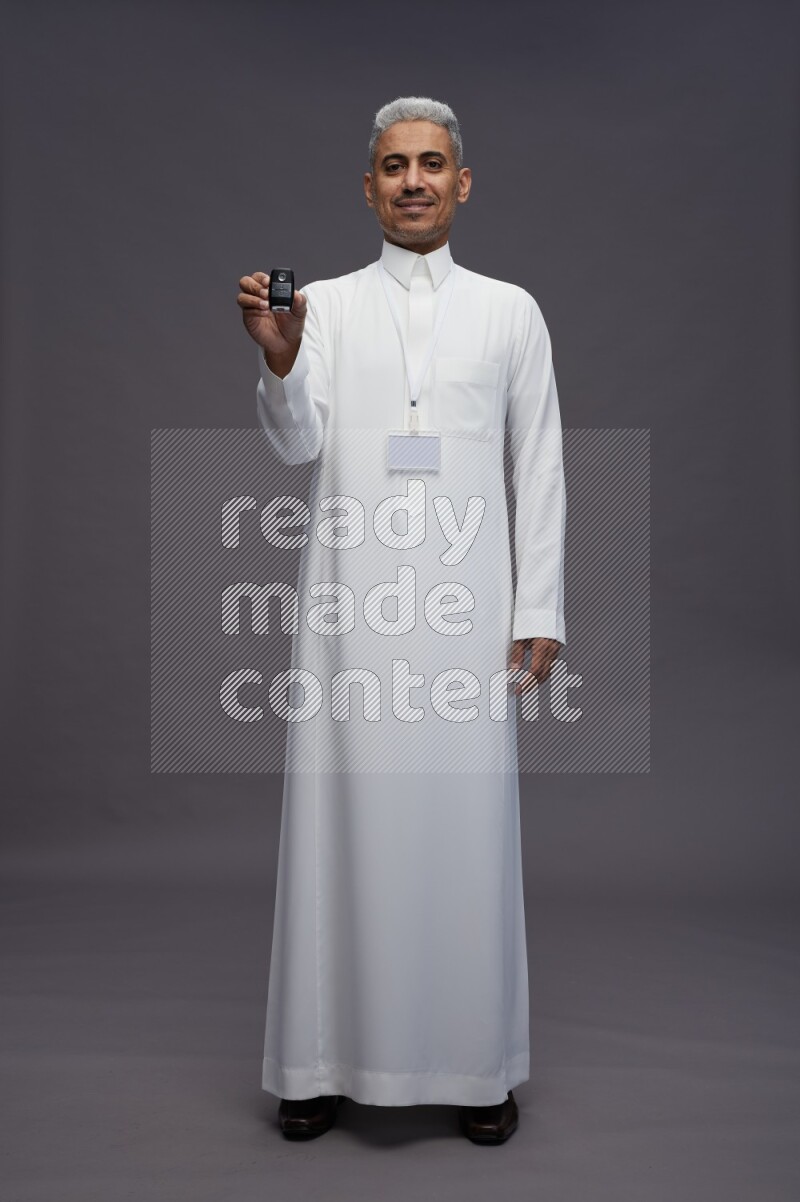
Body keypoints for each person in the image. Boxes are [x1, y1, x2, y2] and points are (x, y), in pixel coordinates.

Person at [237, 96, 566, 1144]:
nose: (412, 181)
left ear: (461, 183)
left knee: (467, 830)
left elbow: (538, 462)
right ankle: (318, 1062)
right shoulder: (325, 307)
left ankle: (474, 1066)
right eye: (393, 166)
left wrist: (539, 605)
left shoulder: (510, 311)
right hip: (351, 607)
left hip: (468, 611)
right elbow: (296, 445)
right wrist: (279, 356)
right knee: (339, 821)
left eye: (430, 164)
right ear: (368, 186)